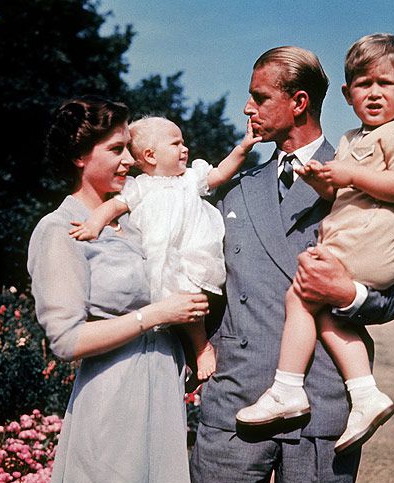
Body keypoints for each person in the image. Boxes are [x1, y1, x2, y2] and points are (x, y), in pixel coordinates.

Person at [190, 46, 394, 483]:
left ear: (299, 102)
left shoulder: (363, 176)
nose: (247, 108)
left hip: (322, 407)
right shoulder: (236, 190)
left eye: (259, 97)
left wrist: (348, 294)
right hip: (236, 405)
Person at [236, 33, 394, 456]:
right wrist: (326, 185)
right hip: (235, 396)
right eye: (363, 85)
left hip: (365, 258)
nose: (374, 94)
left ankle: (289, 388)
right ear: (347, 93)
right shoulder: (346, 144)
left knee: (303, 297)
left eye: (385, 84)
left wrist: (350, 294)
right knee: (317, 310)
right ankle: (365, 394)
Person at [27, 96, 210, 483]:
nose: (129, 160)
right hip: (112, 400)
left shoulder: (134, 224)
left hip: (163, 389)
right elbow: (66, 340)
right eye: (115, 149)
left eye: (129, 147)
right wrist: (157, 314)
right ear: (79, 156)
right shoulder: (59, 230)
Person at [69, 116, 261, 382]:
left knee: (189, 299)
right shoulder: (140, 187)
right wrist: (93, 223)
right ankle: (182, 357)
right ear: (150, 155)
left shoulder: (190, 178)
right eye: (176, 144)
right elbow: (113, 207)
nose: (185, 149)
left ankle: (201, 346)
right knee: (163, 307)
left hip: (191, 254)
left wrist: (243, 148)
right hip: (157, 257)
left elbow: (219, 173)